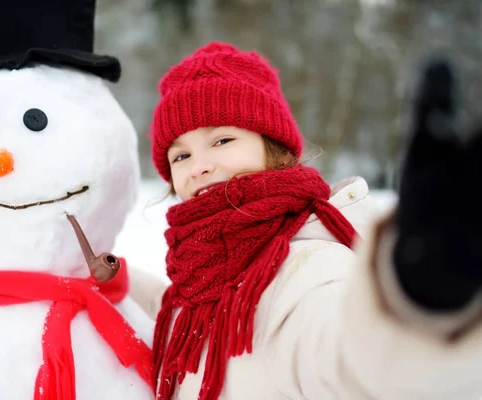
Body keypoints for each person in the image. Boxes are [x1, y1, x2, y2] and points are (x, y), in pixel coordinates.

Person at [129, 41, 482, 400]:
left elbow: (352, 365)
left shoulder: (307, 265)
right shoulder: (199, 276)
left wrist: (422, 302)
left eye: (222, 139)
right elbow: (191, 319)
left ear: (274, 148)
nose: (198, 166)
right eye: (181, 155)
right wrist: (119, 279)